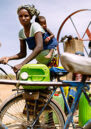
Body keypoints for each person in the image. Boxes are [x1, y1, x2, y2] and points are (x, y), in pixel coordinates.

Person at [0, 4, 58, 73]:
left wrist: (22, 64)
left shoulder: (35, 26)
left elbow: (39, 47)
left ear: (30, 17)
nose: (23, 18)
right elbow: (23, 53)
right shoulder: (21, 33)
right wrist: (9, 58)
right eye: (20, 16)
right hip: (41, 61)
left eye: (26, 16)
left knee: (51, 80)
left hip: (51, 59)